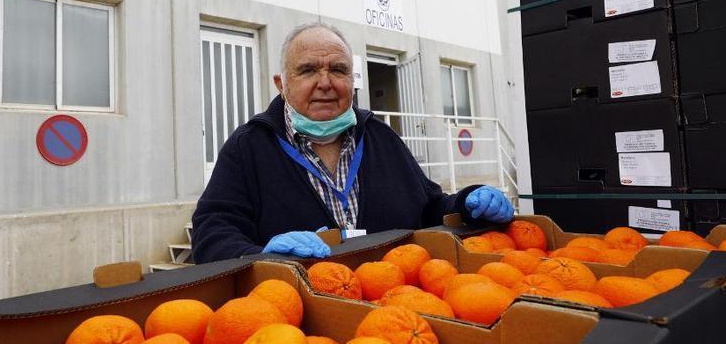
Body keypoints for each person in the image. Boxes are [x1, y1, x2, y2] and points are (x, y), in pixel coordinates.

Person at [191, 23, 514, 263]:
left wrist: (467, 203)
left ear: (352, 80)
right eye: (307, 71)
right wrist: (261, 255)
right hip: (298, 316)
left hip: (396, 299)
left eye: (338, 70)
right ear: (282, 84)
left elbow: (429, 206)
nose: (325, 83)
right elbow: (211, 233)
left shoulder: (380, 136)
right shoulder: (249, 147)